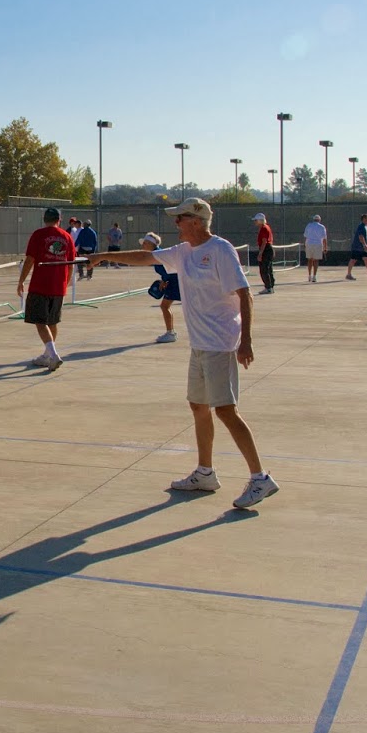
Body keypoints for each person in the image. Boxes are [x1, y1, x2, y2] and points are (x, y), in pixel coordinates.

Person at [90, 197, 277, 510]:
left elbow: (245, 295)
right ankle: (205, 473)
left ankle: (260, 478)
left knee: (225, 410)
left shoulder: (220, 250)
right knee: (198, 406)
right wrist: (104, 256)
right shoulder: (182, 252)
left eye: (180, 218)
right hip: (199, 346)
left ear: (197, 220)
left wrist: (246, 341)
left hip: (221, 344)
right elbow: (144, 257)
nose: (175, 223)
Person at [16, 206, 75, 370]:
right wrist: (66, 283)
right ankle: (47, 354)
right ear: (59, 220)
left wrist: (21, 280)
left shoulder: (38, 235)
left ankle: (54, 355)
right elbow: (70, 265)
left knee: (40, 321)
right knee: (52, 321)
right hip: (58, 288)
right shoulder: (67, 237)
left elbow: (30, 259)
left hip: (40, 286)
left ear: (44, 219)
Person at [140, 231, 180, 343]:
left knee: (165, 306)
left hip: (175, 282)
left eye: (145, 243)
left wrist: (165, 280)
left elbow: (169, 270)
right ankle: (171, 332)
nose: (143, 245)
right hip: (173, 281)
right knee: (165, 306)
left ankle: (171, 333)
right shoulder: (157, 253)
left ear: (151, 244)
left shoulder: (158, 254)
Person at [345, 213, 367, 280]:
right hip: (357, 247)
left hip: (361, 248)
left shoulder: (365, 227)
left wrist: (365, 245)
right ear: (363, 219)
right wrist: (364, 245)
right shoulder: (361, 227)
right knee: (353, 260)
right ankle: (348, 275)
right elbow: (360, 236)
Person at [251, 212, 275, 293]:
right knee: (268, 269)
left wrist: (260, 253)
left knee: (264, 269)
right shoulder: (266, 227)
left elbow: (264, 241)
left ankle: (268, 287)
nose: (255, 222)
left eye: (256, 220)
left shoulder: (264, 228)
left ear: (260, 221)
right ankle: (270, 286)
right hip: (268, 249)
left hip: (266, 249)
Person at [303, 214, 327, 282]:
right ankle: (314, 276)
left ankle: (309, 276)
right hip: (318, 244)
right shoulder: (322, 227)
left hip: (309, 244)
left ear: (313, 219)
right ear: (319, 220)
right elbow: (325, 238)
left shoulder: (309, 225)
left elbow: (305, 236)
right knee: (316, 260)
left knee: (309, 259)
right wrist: (325, 247)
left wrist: (305, 244)